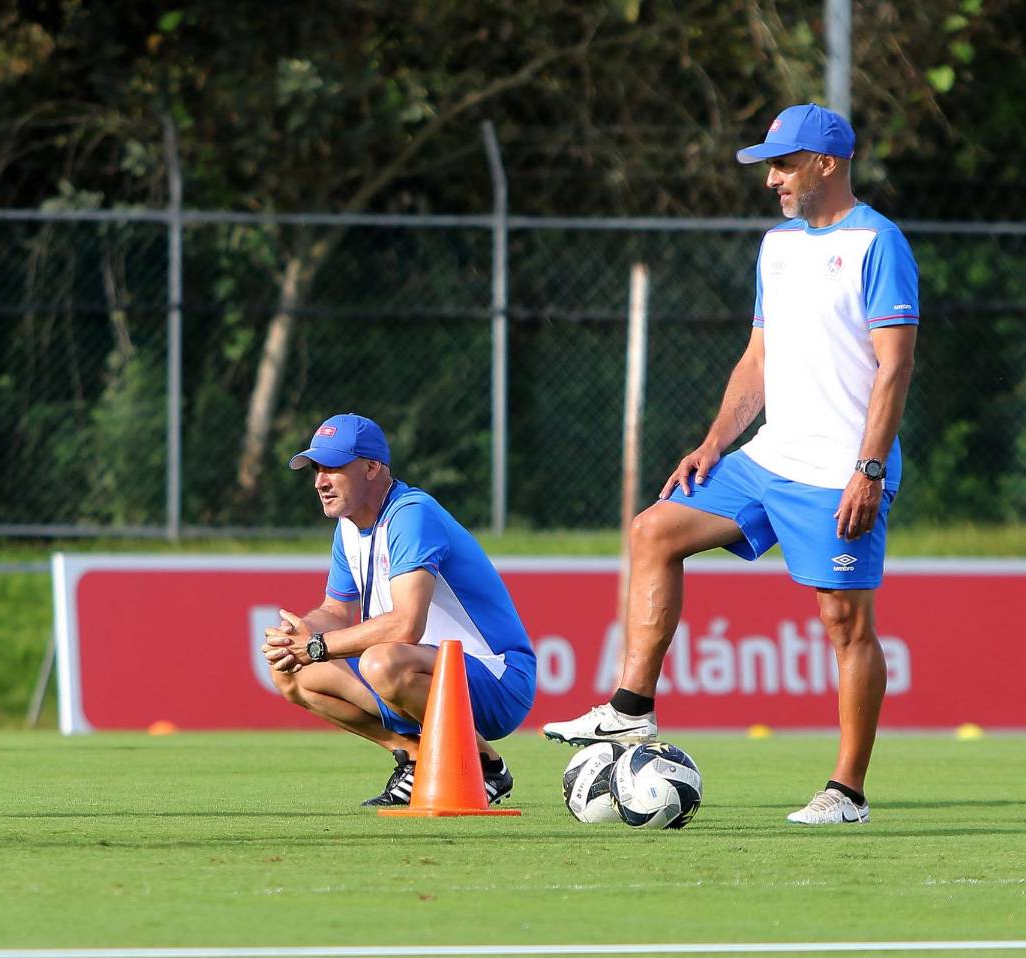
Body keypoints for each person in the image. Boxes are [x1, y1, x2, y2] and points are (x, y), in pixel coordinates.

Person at [543, 103, 919, 826]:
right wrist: (716, 441)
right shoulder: (776, 246)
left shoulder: (878, 243)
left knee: (845, 625)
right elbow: (757, 358)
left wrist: (869, 469)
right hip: (766, 456)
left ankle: (846, 792)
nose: (771, 179)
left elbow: (895, 367)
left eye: (782, 165)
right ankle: (630, 708)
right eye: (768, 167)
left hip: (838, 471)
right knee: (654, 530)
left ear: (827, 164)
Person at [262, 413, 536, 807]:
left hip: (498, 678)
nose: (320, 481)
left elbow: (407, 625)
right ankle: (415, 757)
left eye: (333, 468)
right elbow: (336, 611)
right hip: (421, 669)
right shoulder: (348, 526)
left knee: (381, 662)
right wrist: (298, 636)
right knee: (290, 672)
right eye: (317, 469)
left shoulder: (411, 514)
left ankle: (484, 766)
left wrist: (318, 646)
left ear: (372, 467)